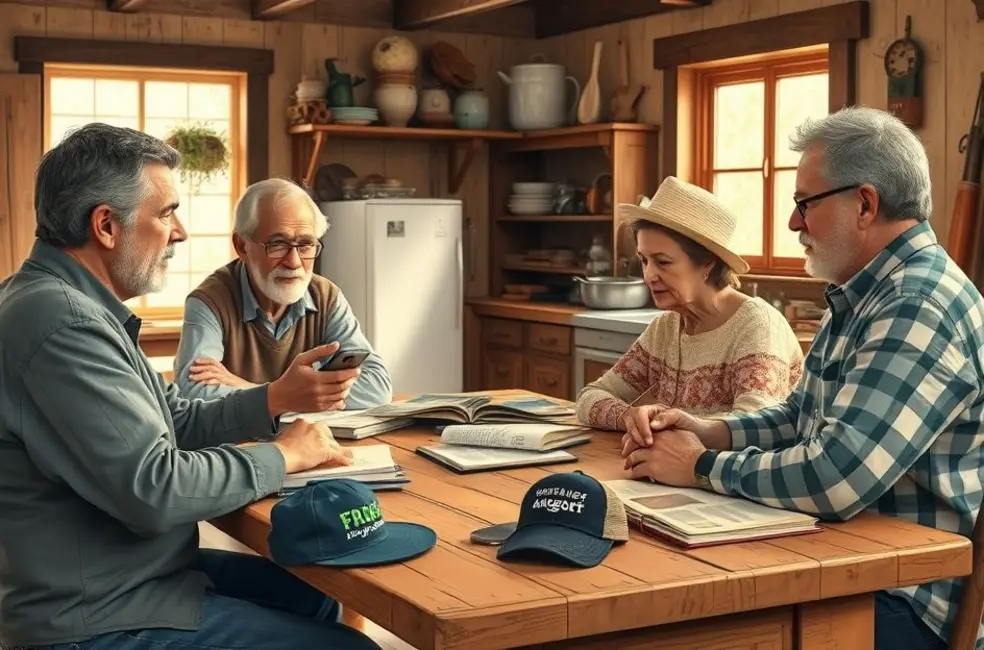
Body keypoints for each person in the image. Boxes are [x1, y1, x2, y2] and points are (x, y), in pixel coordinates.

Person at [0, 123, 383, 650]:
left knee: (312, 592)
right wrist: (283, 457)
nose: (179, 232)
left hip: (132, 572)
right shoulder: (63, 324)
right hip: (97, 612)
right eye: (165, 213)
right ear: (106, 226)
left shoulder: (70, 304)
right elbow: (155, 487)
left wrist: (273, 400)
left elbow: (171, 420)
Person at [621, 106, 984, 650]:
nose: (794, 222)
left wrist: (700, 466)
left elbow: (835, 477)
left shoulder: (916, 304)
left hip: (901, 599)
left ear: (864, 204)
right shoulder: (864, 292)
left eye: (804, 204)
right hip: (845, 563)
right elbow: (800, 416)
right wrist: (708, 430)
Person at [575, 176, 804, 440]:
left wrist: (674, 427)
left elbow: (755, 429)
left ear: (707, 263)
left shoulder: (757, 326)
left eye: (663, 262)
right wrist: (629, 416)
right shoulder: (666, 327)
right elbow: (589, 397)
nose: (649, 275)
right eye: (644, 260)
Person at [174, 177, 392, 409]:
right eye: (277, 244)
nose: (294, 262)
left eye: (306, 245)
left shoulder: (326, 297)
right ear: (242, 246)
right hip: (240, 444)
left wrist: (257, 390)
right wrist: (293, 395)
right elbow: (196, 393)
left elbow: (377, 387)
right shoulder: (210, 301)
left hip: (314, 441)